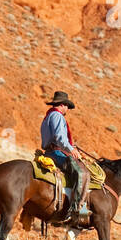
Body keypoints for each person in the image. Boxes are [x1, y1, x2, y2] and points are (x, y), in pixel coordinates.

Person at [40, 90, 87, 221]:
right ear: (62, 105)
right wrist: (71, 149)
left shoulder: (48, 116)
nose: (67, 109)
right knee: (83, 173)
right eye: (67, 106)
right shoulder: (57, 116)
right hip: (56, 152)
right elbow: (60, 137)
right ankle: (77, 210)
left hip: (50, 151)